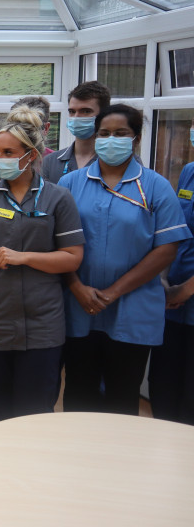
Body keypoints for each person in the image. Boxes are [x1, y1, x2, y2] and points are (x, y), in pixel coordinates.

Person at [0, 110, 84, 426]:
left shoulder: (58, 198)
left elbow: (72, 257)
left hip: (42, 324)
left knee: (35, 410)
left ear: (31, 156)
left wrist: (23, 257)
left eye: (7, 153)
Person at [60, 104, 191, 415]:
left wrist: (113, 292)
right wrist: (76, 287)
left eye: (120, 133)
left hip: (133, 309)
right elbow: (56, 244)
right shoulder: (70, 184)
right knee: (79, 390)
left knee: (122, 395)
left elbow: (167, 248)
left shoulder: (155, 186)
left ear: (136, 137)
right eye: (104, 133)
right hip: (78, 305)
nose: (110, 139)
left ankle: (119, 462)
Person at [150, 118, 194, 425]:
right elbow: (175, 233)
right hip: (173, 308)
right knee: (164, 389)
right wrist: (165, 283)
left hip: (184, 296)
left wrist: (185, 290)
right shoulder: (189, 172)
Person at [41, 81, 110, 184]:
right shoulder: (51, 161)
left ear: (104, 115)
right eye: (72, 112)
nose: (76, 117)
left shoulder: (115, 161)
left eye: (86, 111)